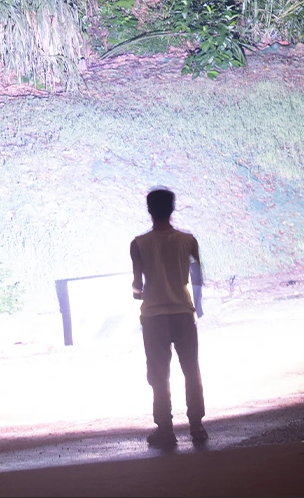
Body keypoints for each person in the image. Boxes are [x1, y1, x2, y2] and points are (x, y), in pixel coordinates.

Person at [130, 187, 207, 448]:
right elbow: (197, 277)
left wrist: (138, 293)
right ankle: (196, 426)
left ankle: (165, 428)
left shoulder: (138, 244)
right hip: (183, 313)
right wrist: (197, 306)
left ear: (149, 210)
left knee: (159, 373)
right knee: (191, 369)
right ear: (173, 209)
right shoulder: (188, 241)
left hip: (154, 316)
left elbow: (137, 285)